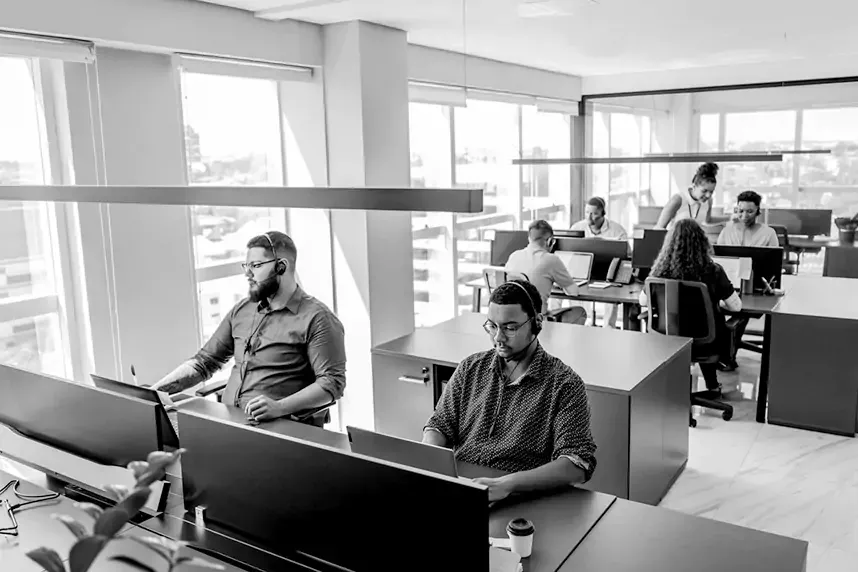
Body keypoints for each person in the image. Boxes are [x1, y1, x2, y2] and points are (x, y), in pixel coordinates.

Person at [423, 280, 597, 503]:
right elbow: (440, 424)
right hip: (463, 489)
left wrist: (506, 485)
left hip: (521, 498)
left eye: (510, 328)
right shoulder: (470, 368)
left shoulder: (564, 385)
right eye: (492, 326)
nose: (498, 337)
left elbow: (577, 462)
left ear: (536, 323)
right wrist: (427, 462)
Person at [152, 231, 346, 426]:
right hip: (227, 420)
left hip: (278, 426)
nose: (248, 274)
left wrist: (279, 407)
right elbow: (205, 362)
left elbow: (332, 383)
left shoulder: (318, 318)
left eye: (256, 265)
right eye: (247, 266)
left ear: (281, 266)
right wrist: (155, 392)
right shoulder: (242, 310)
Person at [639, 219, 742, 392]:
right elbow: (736, 307)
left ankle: (674, 389)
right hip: (706, 340)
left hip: (667, 338)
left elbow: (643, 301)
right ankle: (712, 386)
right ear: (702, 242)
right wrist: (717, 302)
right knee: (706, 327)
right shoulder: (713, 270)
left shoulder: (659, 271)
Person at [716, 190, 778, 371]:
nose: (744, 215)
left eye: (749, 211)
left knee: (740, 312)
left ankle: (727, 354)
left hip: (755, 288)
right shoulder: (727, 231)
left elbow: (773, 264)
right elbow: (718, 260)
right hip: (727, 284)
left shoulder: (768, 233)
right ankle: (725, 352)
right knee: (719, 309)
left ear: (758, 211)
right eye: (740, 211)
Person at [505, 219, 586, 325]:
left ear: (529, 239)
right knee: (580, 312)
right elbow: (573, 292)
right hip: (538, 318)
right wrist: (558, 283)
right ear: (550, 241)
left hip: (512, 316)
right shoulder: (551, 260)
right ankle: (554, 339)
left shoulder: (514, 256)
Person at [570, 197, 628, 328]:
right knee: (573, 291)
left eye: (594, 213)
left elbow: (627, 255)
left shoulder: (617, 230)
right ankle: (578, 326)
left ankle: (609, 328)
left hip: (608, 272)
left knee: (612, 293)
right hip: (582, 270)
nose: (589, 217)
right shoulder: (577, 227)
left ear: (603, 214)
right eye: (586, 212)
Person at [655, 162, 731, 230]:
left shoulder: (708, 201)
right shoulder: (678, 200)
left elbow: (708, 220)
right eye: (704, 191)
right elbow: (659, 228)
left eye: (711, 192)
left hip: (695, 243)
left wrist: (730, 218)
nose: (708, 195)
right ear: (694, 186)